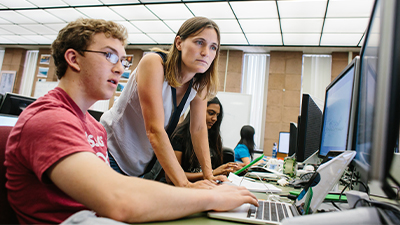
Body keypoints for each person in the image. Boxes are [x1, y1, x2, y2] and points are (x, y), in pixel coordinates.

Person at [4, 18, 258, 224]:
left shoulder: (92, 127)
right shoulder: (49, 120)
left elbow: (118, 193)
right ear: (73, 59)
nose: (121, 70)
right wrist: (202, 195)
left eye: (123, 60)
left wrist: (207, 182)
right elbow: (119, 198)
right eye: (109, 56)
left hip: (119, 189)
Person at [100, 16, 226, 187]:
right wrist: (185, 184)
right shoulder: (154, 63)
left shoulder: (199, 83)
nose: (206, 52)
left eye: (213, 47)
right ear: (179, 43)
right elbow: (154, 129)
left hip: (141, 166)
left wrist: (208, 175)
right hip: (110, 152)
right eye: (199, 42)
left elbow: (198, 128)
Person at [171, 97, 241, 182]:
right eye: (211, 113)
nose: (215, 119)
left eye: (217, 115)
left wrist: (228, 170)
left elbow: (214, 170)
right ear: (197, 110)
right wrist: (212, 173)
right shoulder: (179, 135)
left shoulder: (213, 137)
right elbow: (172, 177)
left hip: (205, 186)